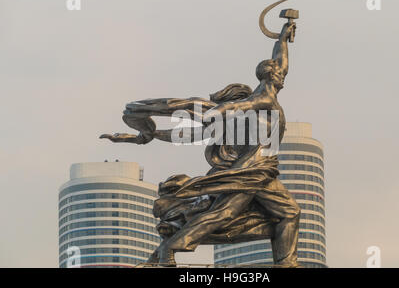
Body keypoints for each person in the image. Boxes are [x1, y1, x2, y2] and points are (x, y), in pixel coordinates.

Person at [101, 22, 300, 267]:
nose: (282, 75)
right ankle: (168, 250)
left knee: (289, 213)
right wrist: (217, 111)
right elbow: (213, 119)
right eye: (277, 73)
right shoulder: (259, 99)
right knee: (223, 214)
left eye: (281, 73)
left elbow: (281, 60)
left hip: (265, 172)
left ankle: (286, 263)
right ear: (268, 76)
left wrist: (283, 36)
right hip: (249, 172)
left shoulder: (270, 93)